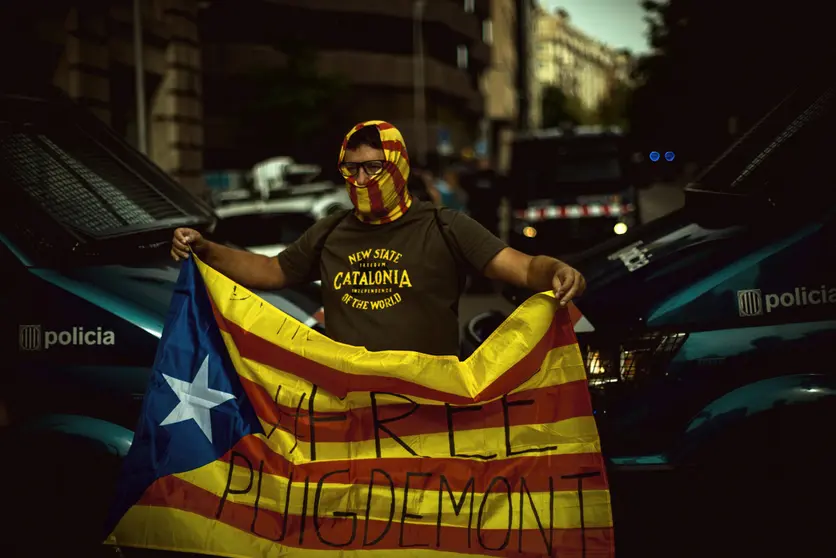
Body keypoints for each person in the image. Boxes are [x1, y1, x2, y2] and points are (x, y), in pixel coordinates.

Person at [171, 120, 585, 357]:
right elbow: (270, 270)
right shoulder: (331, 229)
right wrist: (205, 249)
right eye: (352, 170)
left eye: (374, 169)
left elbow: (525, 267)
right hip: (350, 409)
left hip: (428, 407)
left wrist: (559, 271)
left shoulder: (444, 225)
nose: (362, 180)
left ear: (399, 168)